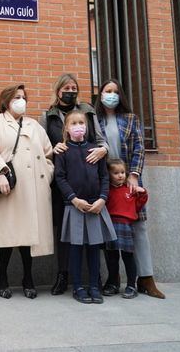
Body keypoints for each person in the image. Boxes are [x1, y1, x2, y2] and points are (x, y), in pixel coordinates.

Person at [95, 78, 165, 299]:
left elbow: (139, 149)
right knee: (109, 232)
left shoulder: (131, 119)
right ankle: (113, 280)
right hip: (105, 183)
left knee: (139, 229)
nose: (111, 95)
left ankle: (146, 279)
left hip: (129, 180)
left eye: (115, 91)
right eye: (107, 91)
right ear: (100, 94)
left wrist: (134, 175)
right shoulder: (94, 120)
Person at [38, 73, 108, 296]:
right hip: (63, 182)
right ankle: (63, 275)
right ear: (58, 90)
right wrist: (52, 149)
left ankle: (94, 279)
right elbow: (41, 145)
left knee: (93, 234)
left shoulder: (87, 110)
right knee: (65, 230)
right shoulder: (47, 116)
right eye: (66, 87)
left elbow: (99, 137)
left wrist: (103, 149)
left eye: (74, 87)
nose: (71, 90)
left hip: (89, 173)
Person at [0, 84, 54, 299]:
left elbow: (48, 154)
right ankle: (2, 277)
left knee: (27, 237)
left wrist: (46, 174)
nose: (21, 100)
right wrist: (1, 173)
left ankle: (28, 278)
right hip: (9, 187)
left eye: (23, 97)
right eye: (16, 97)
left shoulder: (34, 125)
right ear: (6, 101)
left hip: (33, 188)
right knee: (8, 235)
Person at [54, 110, 116, 304]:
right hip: (75, 206)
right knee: (76, 248)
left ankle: (94, 286)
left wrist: (102, 199)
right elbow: (60, 178)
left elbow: (105, 177)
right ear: (66, 128)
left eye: (81, 122)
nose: (78, 126)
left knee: (94, 247)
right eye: (74, 123)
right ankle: (78, 286)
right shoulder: (64, 152)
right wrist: (73, 199)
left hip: (95, 206)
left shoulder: (94, 150)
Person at [103, 159, 148, 299]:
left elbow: (139, 204)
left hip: (126, 227)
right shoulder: (107, 191)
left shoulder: (130, 189)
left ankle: (130, 285)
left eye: (122, 172)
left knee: (128, 257)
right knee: (111, 257)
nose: (120, 175)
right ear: (109, 174)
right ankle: (113, 283)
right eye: (116, 173)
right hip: (110, 225)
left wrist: (142, 191)